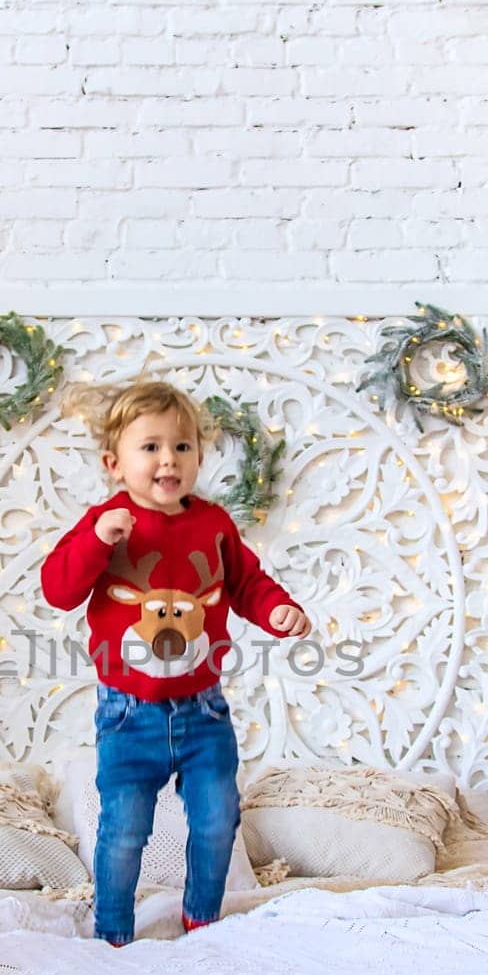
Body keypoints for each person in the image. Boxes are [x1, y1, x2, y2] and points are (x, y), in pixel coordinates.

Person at [41, 379, 311, 945]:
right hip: (127, 714)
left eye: (182, 447)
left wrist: (279, 609)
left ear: (199, 458)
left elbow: (246, 583)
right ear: (114, 463)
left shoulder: (212, 524)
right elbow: (59, 589)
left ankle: (203, 919)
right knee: (124, 829)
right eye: (151, 447)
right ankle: (112, 927)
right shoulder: (106, 522)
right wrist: (95, 539)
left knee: (217, 820)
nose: (169, 459)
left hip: (203, 714)